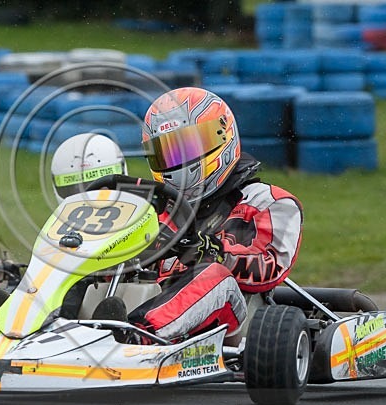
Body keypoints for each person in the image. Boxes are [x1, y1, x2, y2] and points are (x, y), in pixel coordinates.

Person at [127, 86, 304, 344]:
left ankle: (139, 336)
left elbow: (269, 268)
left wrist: (215, 253)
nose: (180, 160)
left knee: (212, 273)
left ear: (223, 136)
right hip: (155, 300)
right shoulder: (157, 211)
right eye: (169, 153)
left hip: (235, 321)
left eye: (189, 148)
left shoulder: (268, 201)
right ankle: (73, 332)